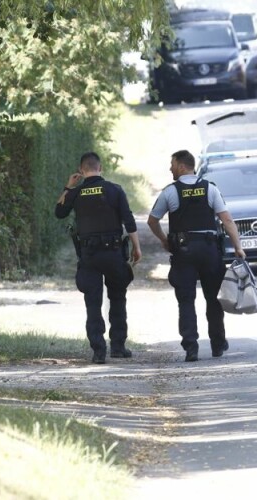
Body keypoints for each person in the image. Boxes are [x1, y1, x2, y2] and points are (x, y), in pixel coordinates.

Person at [147, 150, 245, 362]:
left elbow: (152, 220)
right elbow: (227, 220)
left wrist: (165, 240)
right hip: (210, 250)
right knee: (213, 299)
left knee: (186, 300)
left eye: (172, 164)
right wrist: (238, 247)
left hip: (183, 251)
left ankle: (191, 347)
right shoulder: (210, 189)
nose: (170, 168)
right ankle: (218, 343)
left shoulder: (170, 192)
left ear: (182, 166)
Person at [55, 152, 141, 364]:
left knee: (92, 303)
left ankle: (98, 351)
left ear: (81, 171)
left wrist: (68, 186)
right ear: (100, 168)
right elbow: (129, 221)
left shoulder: (76, 192)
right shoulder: (114, 190)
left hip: (89, 255)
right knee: (118, 298)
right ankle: (118, 347)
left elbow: (59, 212)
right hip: (113, 253)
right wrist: (136, 247)